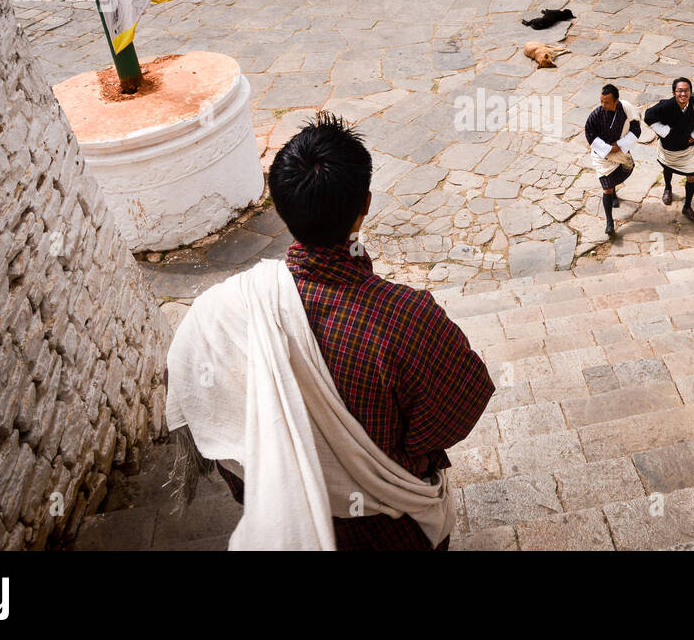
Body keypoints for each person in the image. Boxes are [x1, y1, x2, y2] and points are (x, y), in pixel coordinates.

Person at [165, 112, 495, 550]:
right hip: (393, 529)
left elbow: (201, 405)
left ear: (281, 211)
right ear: (365, 205)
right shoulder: (409, 318)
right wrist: (390, 459)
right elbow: (458, 410)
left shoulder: (220, 314)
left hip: (289, 522)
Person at [643, 77, 694, 223]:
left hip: (688, 150)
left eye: (686, 91)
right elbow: (648, 116)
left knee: (691, 176)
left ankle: (687, 206)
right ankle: (668, 188)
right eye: (680, 91)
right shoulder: (665, 106)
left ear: (691, 91)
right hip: (669, 149)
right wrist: (665, 132)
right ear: (674, 92)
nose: (683, 94)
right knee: (668, 169)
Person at [584, 83, 642, 236]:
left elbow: (636, 130)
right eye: (601, 101)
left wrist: (619, 145)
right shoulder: (596, 115)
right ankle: (609, 222)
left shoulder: (626, 110)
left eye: (607, 102)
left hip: (620, 152)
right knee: (607, 188)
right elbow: (590, 134)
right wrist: (608, 148)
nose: (603, 105)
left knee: (625, 169)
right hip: (602, 155)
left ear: (616, 101)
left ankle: (614, 192)